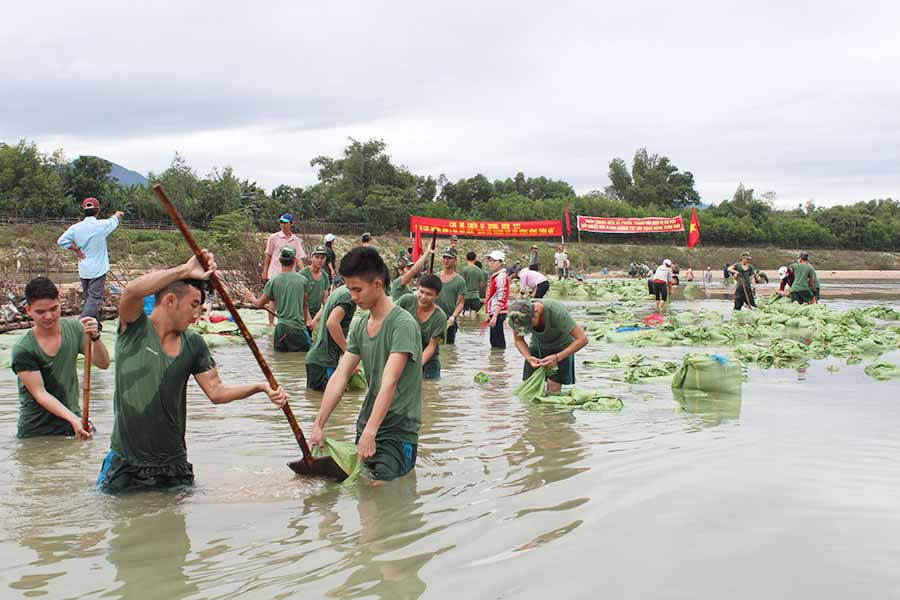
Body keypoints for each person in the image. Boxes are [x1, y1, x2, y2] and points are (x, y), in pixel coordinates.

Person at [97, 251, 287, 493]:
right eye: (193, 305)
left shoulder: (193, 343)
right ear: (170, 301)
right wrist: (184, 270)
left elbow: (217, 392)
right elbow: (132, 292)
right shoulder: (134, 329)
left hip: (173, 465)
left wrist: (259, 387)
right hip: (126, 464)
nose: (197, 316)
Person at [310, 247, 422, 480]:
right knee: (362, 496)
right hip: (367, 425)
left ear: (378, 285)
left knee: (383, 495)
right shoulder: (361, 326)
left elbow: (389, 382)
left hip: (397, 432)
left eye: (357, 290)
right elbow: (341, 375)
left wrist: (371, 432)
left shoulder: (403, 325)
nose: (353, 296)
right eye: (350, 289)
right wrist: (319, 423)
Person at [11, 277, 111, 439]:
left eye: (53, 309)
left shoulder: (75, 329)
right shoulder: (23, 349)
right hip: (37, 431)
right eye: (40, 312)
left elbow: (103, 363)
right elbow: (40, 393)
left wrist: (96, 338)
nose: (49, 316)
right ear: (28, 310)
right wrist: (74, 420)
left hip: (73, 420)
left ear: (59, 302)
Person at [57, 197, 124, 320]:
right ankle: (82, 323)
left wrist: (76, 249)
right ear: (97, 211)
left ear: (84, 210)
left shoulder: (75, 228)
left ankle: (95, 327)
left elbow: (61, 241)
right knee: (95, 298)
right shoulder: (101, 225)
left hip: (84, 268)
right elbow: (113, 220)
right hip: (98, 269)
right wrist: (118, 214)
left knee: (89, 299)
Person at [508, 299, 589, 394]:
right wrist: (529, 357)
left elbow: (583, 339)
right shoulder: (517, 316)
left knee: (553, 391)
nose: (527, 328)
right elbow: (519, 340)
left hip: (561, 347)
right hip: (537, 346)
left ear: (536, 312)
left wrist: (557, 357)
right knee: (529, 387)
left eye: (529, 325)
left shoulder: (557, 312)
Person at [244, 247, 313, 351]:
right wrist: (307, 321)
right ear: (294, 261)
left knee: (280, 361)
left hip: (281, 329)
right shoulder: (303, 281)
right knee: (301, 360)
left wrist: (251, 297)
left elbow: (259, 304)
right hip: (298, 329)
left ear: (280, 260)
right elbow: (305, 305)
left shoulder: (273, 282)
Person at [305, 284, 357, 391]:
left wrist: (313, 321)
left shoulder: (339, 291)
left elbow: (325, 309)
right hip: (324, 362)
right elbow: (332, 323)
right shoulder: (348, 296)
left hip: (316, 360)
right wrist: (348, 354)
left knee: (317, 401)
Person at [396, 275, 448, 380]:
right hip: (404, 355)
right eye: (421, 291)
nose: (423, 297)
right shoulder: (406, 301)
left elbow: (431, 346)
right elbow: (389, 318)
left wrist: (416, 367)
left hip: (429, 363)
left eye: (429, 294)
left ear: (436, 296)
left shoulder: (440, 317)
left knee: (430, 391)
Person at [262, 214, 306, 326]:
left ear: (291, 223)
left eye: (285, 222)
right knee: (273, 299)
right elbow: (268, 255)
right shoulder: (274, 237)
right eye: (281, 222)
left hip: (290, 274)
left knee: (290, 298)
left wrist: (305, 272)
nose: (283, 224)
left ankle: (287, 321)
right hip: (275, 272)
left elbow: (299, 258)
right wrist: (265, 271)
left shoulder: (296, 240)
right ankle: (271, 323)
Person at [436, 248, 466, 345]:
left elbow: (461, 303)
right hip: (434, 318)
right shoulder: (435, 277)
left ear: (455, 260)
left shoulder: (460, 281)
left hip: (449, 320)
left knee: (449, 349)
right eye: (444, 257)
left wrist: (453, 316)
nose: (446, 261)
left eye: (449, 258)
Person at [300, 245, 331, 332]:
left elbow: (325, 298)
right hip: (303, 314)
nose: (319, 260)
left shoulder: (324, 275)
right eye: (317, 257)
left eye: (322, 257)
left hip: (316, 313)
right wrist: (309, 319)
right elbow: (302, 300)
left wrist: (326, 315)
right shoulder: (303, 274)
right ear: (311, 258)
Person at [485, 250, 510, 349]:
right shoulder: (496, 276)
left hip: (499, 313)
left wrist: (494, 316)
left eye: (493, 261)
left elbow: (502, 297)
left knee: (498, 343)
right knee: (494, 342)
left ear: (500, 262)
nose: (490, 263)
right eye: (489, 260)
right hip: (495, 312)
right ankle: (496, 362)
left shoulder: (501, 277)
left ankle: (499, 362)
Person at [461, 251, 484, 317]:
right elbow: (480, 285)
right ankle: (474, 326)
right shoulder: (479, 270)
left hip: (465, 296)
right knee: (473, 313)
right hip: (475, 296)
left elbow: (461, 283)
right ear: (475, 259)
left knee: (464, 314)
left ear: (466, 258)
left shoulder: (464, 269)